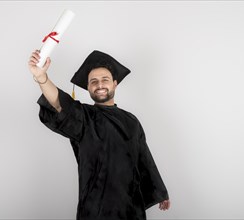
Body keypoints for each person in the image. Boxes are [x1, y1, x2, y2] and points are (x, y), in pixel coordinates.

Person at [28, 49, 170, 220]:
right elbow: (60, 104)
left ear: (115, 83)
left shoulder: (131, 121)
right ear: (88, 87)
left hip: (131, 209)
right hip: (95, 209)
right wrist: (42, 78)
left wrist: (160, 192)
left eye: (105, 80)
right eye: (93, 81)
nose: (100, 85)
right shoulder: (84, 117)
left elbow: (144, 158)